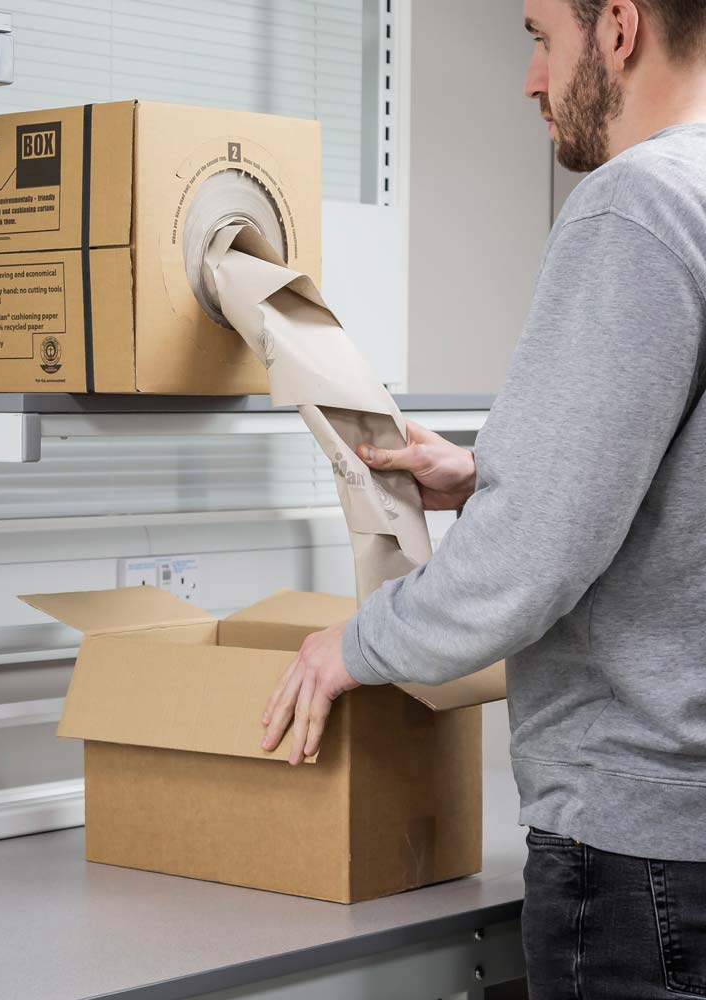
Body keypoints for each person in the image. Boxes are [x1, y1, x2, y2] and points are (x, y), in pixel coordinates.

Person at [259, 0, 706, 996]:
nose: (531, 80)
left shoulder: (634, 204)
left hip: (645, 856)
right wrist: (482, 475)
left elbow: (527, 565)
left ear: (620, 30)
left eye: (541, 38)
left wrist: (357, 643)